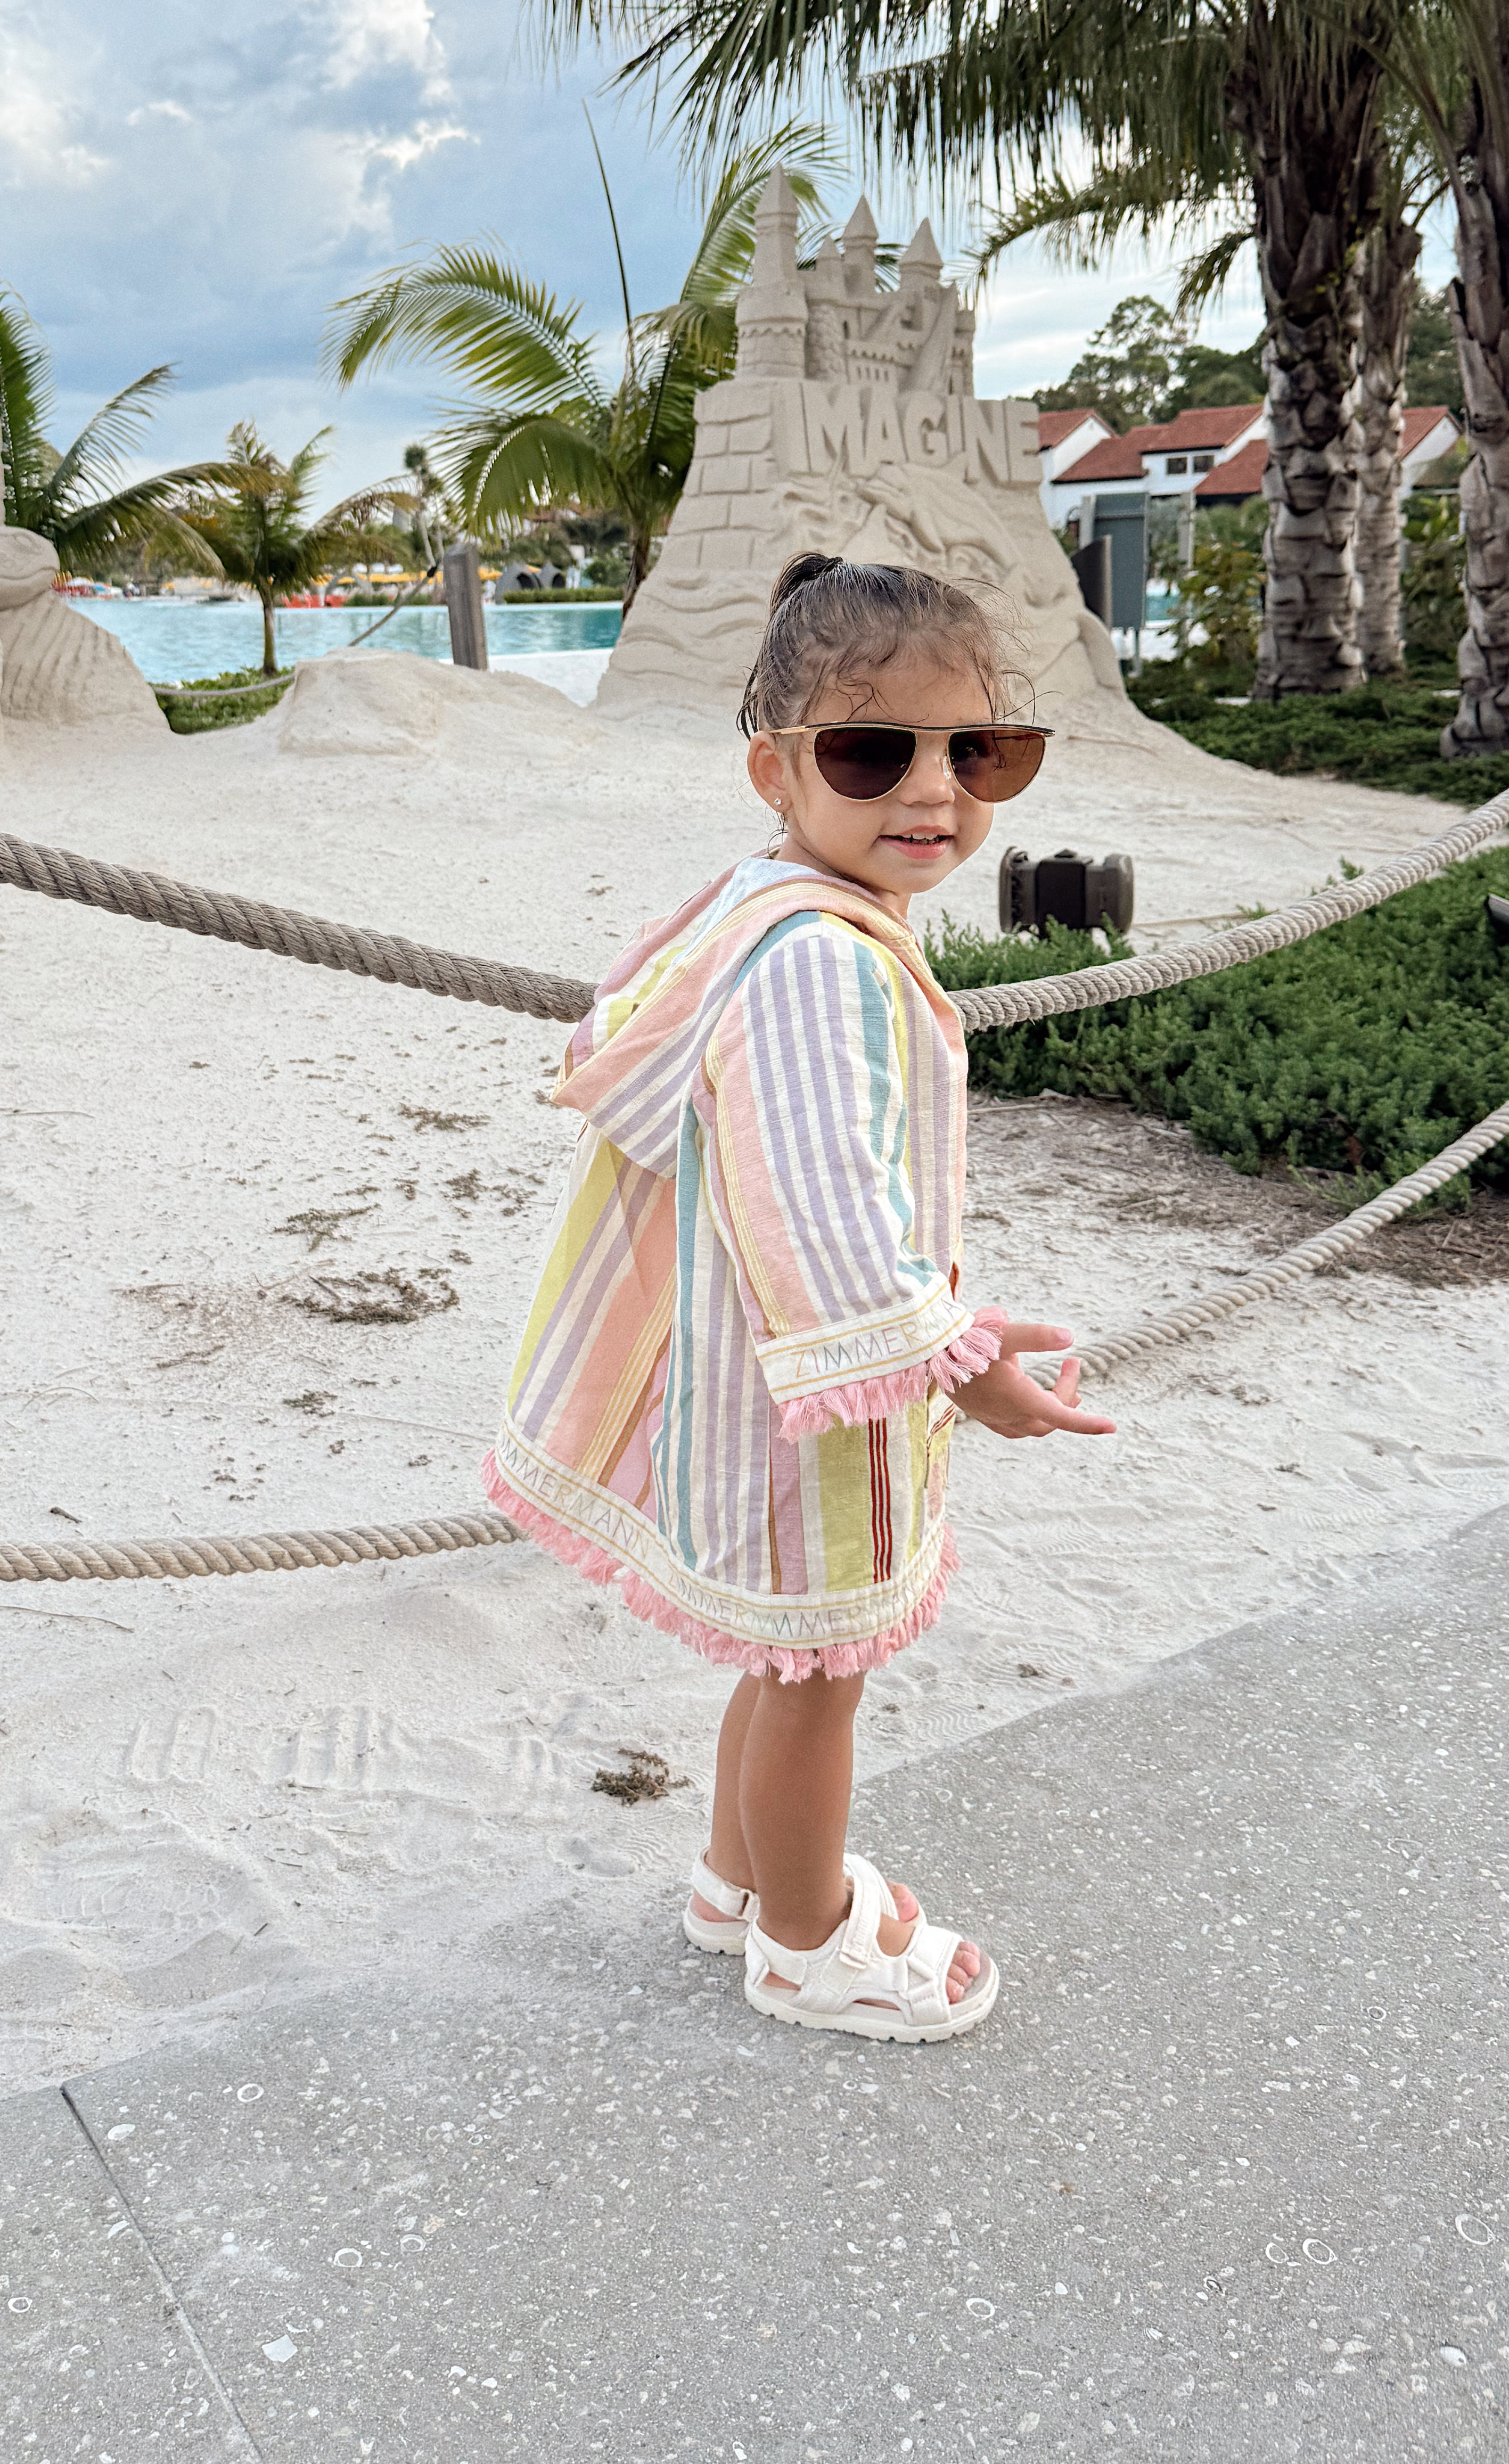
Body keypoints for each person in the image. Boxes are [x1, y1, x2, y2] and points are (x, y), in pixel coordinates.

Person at [483, 553, 1116, 2041]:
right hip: (810, 1401)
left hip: (745, 1366)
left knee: (788, 1664)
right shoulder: (813, 965)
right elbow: (829, 1222)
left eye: (980, 751)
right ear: (775, 767)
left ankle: (733, 1880)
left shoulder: (762, 907)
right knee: (819, 1677)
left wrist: (953, 1320)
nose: (933, 789)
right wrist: (968, 1369)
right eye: (868, 748)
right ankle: (806, 1938)